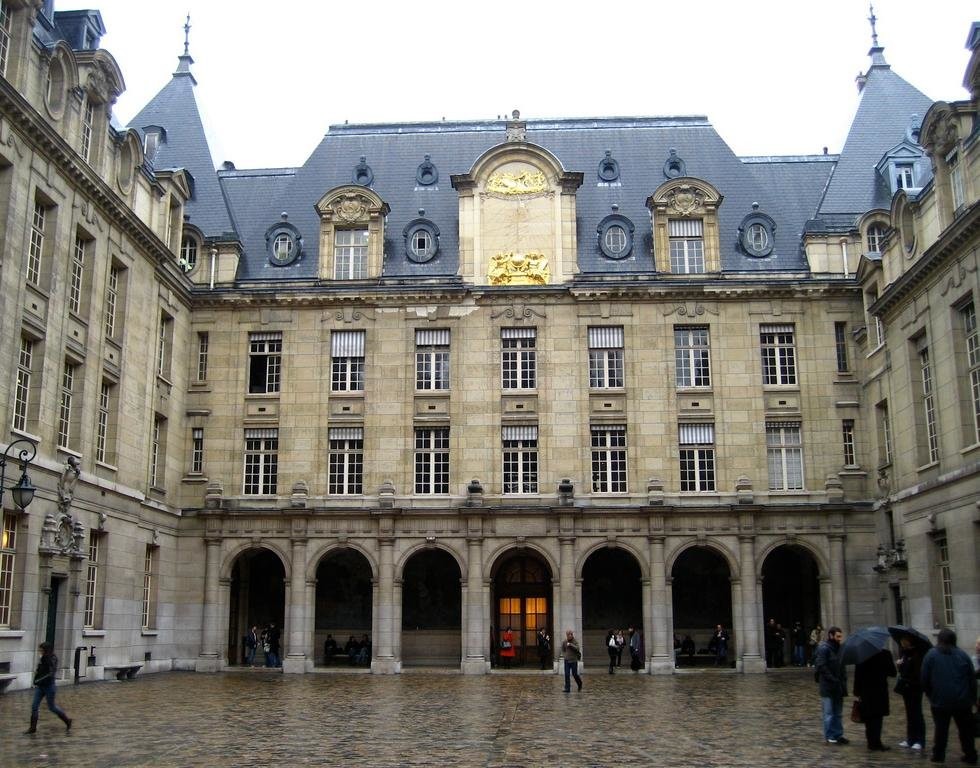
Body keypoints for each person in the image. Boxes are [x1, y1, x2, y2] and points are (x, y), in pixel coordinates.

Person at [921, 628, 977, 765]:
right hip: (962, 700)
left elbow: (924, 678)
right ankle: (970, 754)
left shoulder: (931, 655)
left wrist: (931, 695)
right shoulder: (962, 655)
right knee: (965, 730)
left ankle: (938, 755)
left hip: (940, 700)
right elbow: (972, 679)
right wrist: (973, 698)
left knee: (941, 730)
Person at [853, 648, 896, 751]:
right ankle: (876, 742)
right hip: (879, 690)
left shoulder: (862, 654)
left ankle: (871, 741)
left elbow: (857, 675)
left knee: (869, 717)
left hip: (866, 691)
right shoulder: (885, 654)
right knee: (877, 717)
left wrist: (857, 691)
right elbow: (892, 672)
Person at [25, 642, 72, 734]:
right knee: (34, 706)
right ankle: (32, 728)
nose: (40, 652)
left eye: (42, 650)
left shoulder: (52, 658)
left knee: (52, 707)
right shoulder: (42, 658)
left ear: (46, 650)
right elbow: (39, 670)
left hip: (49, 686)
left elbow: (51, 673)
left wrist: (39, 679)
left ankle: (67, 720)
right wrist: (36, 679)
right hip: (40, 686)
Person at [814, 626, 849, 745]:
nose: (839, 639)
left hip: (839, 686)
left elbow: (842, 667)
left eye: (841, 636)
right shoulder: (824, 648)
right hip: (828, 686)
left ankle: (838, 734)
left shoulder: (840, 649)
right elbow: (821, 666)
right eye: (837, 636)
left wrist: (842, 681)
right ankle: (829, 736)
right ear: (831, 635)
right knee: (828, 713)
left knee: (838, 713)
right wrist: (833, 679)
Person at [895, 636, 926, 751]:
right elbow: (903, 671)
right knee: (909, 714)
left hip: (915, 687)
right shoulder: (904, 653)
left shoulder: (917, 654)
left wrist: (906, 664)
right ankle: (910, 738)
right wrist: (899, 665)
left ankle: (920, 740)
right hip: (906, 687)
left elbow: (917, 672)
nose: (902, 642)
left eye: (904, 640)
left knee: (917, 713)